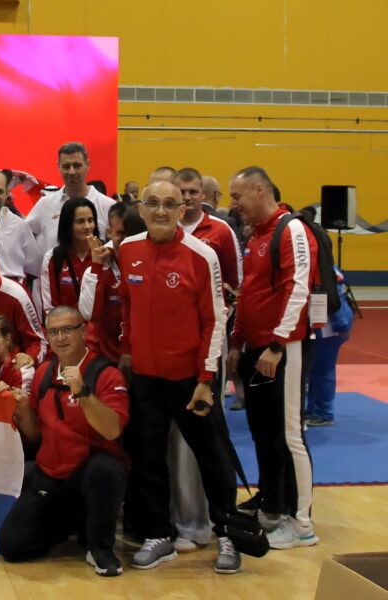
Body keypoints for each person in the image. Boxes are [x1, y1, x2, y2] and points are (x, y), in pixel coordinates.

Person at [117, 180, 239, 574]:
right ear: (141, 206)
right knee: (149, 457)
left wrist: (207, 377)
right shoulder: (128, 249)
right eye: (152, 203)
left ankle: (227, 533)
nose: (161, 211)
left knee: (213, 457)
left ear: (182, 209)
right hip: (147, 379)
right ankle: (159, 534)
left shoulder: (201, 254)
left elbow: (215, 318)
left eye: (170, 204)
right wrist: (127, 351)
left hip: (191, 379)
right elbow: (128, 307)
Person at [0, 305, 130, 576]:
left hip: (87, 476)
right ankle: (70, 524)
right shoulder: (44, 373)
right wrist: (22, 410)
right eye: (54, 332)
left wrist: (82, 393)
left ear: (84, 331)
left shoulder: (107, 374)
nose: (61, 337)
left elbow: (112, 430)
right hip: (51, 475)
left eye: (68, 329)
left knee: (106, 468)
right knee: (11, 546)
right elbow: (34, 435)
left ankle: (100, 547)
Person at [227, 166, 319, 550]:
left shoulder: (291, 229)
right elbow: (249, 295)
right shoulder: (256, 236)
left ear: (260, 189)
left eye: (238, 196)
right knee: (264, 433)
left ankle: (302, 525)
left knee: (289, 435)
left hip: (283, 351)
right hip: (255, 351)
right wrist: (237, 341)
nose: (233, 206)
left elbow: (298, 288)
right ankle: (272, 506)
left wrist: (279, 345)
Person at [79, 203, 146, 363]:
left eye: (132, 234)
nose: (127, 240)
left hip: (140, 357)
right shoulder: (96, 269)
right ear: (109, 232)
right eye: (121, 233)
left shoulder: (148, 268)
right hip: (102, 357)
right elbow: (89, 314)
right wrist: (97, 266)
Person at [25, 142, 116, 250]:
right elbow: (21, 236)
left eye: (77, 166)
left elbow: (118, 244)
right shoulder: (44, 205)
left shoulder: (108, 206)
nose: (71, 172)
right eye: (66, 166)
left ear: (88, 165)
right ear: (58, 166)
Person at [305, 267, 353, 426]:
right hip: (323, 322)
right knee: (313, 369)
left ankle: (324, 413)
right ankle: (313, 408)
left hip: (330, 324)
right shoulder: (326, 265)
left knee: (323, 369)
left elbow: (334, 299)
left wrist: (341, 325)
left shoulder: (323, 270)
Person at [35, 197, 99, 315]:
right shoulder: (53, 258)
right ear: (68, 225)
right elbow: (49, 308)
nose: (87, 226)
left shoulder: (105, 254)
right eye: (80, 221)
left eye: (90, 220)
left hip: (99, 332)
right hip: (66, 330)